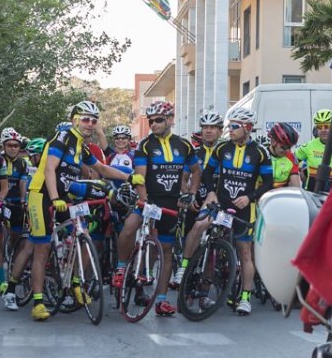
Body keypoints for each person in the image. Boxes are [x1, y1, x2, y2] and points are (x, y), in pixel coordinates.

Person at [26, 101, 135, 321]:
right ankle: (37, 302)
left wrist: (130, 177)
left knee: (83, 233)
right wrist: (55, 198)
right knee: (42, 248)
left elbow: (101, 168)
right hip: (42, 194)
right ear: (75, 119)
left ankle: (76, 284)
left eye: (94, 121)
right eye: (85, 119)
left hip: (64, 196)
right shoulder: (62, 138)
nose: (90, 124)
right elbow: (49, 169)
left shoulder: (81, 146)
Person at [111, 100, 198, 317]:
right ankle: (121, 267)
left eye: (158, 120)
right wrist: (144, 201)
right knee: (129, 227)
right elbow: (139, 176)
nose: (154, 124)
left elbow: (196, 171)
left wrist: (191, 194)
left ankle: (161, 300)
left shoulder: (184, 145)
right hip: (149, 199)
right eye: (150, 121)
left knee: (166, 252)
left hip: (171, 203)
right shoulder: (145, 145)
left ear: (170, 120)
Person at [188, 107, 272, 315]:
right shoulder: (222, 148)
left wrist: (249, 197)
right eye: (229, 126)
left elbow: (269, 183)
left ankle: (245, 298)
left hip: (245, 209)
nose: (230, 130)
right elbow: (207, 173)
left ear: (247, 127)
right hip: (222, 205)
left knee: (245, 253)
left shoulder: (260, 152)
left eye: (234, 127)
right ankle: (193, 279)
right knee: (208, 240)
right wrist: (211, 194)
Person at [172, 109, 223, 287]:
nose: (208, 131)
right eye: (205, 127)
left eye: (213, 127)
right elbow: (183, 179)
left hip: (218, 203)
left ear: (220, 131)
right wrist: (189, 196)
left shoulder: (225, 152)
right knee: (191, 240)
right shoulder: (193, 153)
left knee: (213, 247)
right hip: (196, 202)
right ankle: (184, 272)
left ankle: (205, 290)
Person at [0, 128, 31, 311]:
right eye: (10, 145)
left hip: (15, 202)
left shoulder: (22, 163)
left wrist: (23, 200)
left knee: (17, 235)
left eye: (16, 146)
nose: (13, 148)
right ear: (3, 146)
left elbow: (23, 183)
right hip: (0, 201)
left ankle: (14, 257)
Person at [294, 109, 332, 193]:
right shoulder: (308, 146)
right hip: (312, 193)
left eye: (326, 126)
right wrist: (301, 170)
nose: (323, 130)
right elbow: (291, 160)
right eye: (319, 127)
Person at [266, 122, 302, 188]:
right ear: (273, 141)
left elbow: (296, 187)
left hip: (281, 196)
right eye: (284, 147)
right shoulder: (261, 155)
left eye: (290, 147)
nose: (287, 151)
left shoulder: (291, 158)